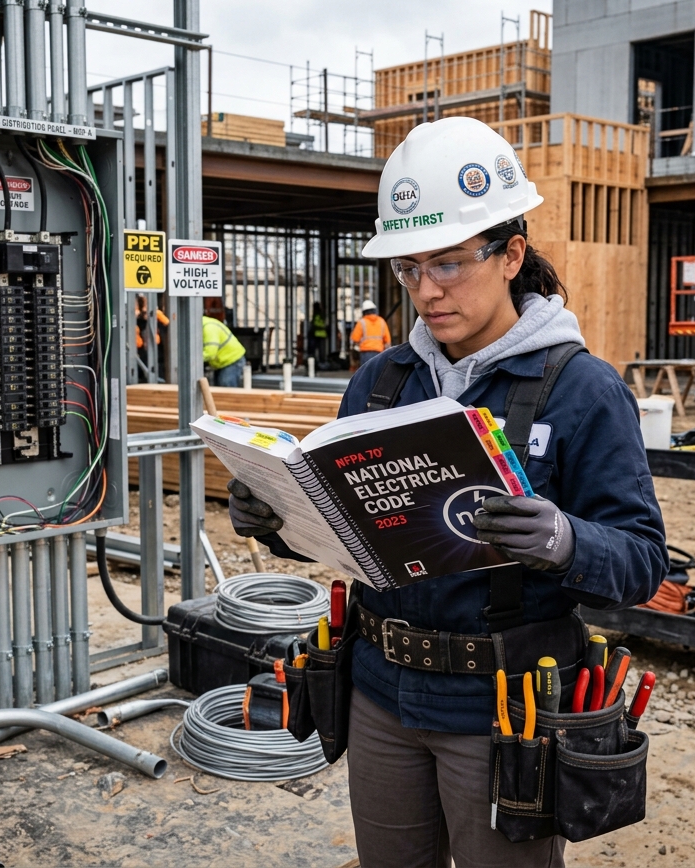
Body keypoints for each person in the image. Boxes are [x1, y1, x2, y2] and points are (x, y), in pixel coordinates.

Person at [225, 116, 667, 867]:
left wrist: (564, 539)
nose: (426, 291)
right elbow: (349, 529)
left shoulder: (580, 391)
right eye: (408, 269)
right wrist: (277, 517)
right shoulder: (382, 380)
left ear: (510, 254)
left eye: (449, 264)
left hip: (501, 709)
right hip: (381, 691)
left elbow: (643, 558)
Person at [202, 313, 246, 387]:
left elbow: (210, 353)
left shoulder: (208, 328)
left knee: (226, 389)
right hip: (222, 362)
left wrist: (192, 361)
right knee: (220, 390)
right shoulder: (205, 325)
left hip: (232, 360)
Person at [350, 299, 390, 367]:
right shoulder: (382, 321)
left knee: (366, 374)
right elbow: (388, 341)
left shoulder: (362, 322)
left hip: (365, 353)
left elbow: (354, 339)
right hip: (379, 352)